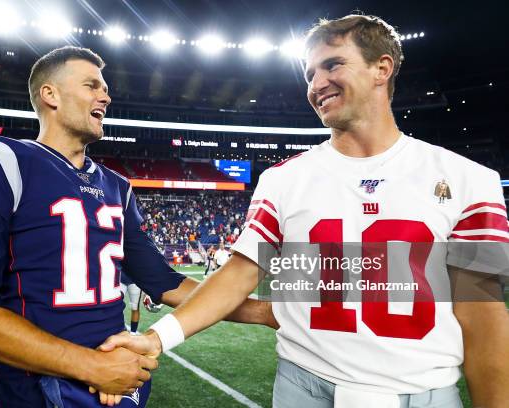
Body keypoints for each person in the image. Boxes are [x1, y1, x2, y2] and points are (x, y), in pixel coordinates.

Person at [100, 15, 509, 408]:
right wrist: (157, 339)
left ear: (381, 68)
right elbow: (241, 274)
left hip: (424, 393)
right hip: (303, 387)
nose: (317, 84)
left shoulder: (469, 180)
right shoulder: (284, 179)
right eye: (310, 74)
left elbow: (483, 317)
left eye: (333, 65)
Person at [0, 46, 276, 408]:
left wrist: (264, 313)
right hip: (35, 389)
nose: (105, 96)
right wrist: (91, 366)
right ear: (50, 95)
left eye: (105, 88)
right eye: (92, 85)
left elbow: (165, 282)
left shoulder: (117, 187)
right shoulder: (0, 160)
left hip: (116, 384)